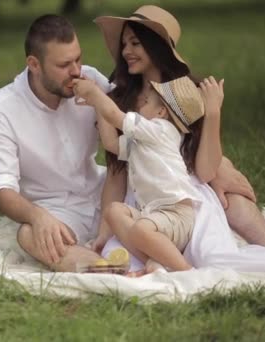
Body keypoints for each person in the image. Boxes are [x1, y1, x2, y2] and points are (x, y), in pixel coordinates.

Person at [92, 5, 265, 250]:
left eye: (135, 43)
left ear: (156, 46)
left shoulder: (185, 95)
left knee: (224, 195)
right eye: (124, 44)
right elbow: (116, 174)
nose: (126, 51)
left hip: (185, 193)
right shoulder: (120, 101)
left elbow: (204, 169)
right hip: (144, 197)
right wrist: (103, 233)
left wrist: (213, 113)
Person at [0, 14, 120, 272]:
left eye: (78, 58)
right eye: (64, 64)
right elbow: (2, 189)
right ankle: (106, 269)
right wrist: (37, 216)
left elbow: (139, 126)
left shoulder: (91, 82)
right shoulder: (1, 111)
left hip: (105, 192)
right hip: (57, 211)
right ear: (34, 64)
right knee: (28, 235)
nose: (76, 71)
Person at [73, 74, 213, 273]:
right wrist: (97, 104)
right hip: (155, 216)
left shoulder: (161, 130)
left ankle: (184, 270)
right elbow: (112, 144)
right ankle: (153, 262)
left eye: (146, 102)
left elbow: (115, 116)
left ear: (161, 112)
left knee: (140, 229)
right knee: (113, 211)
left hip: (175, 214)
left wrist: (95, 94)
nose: (139, 106)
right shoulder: (143, 140)